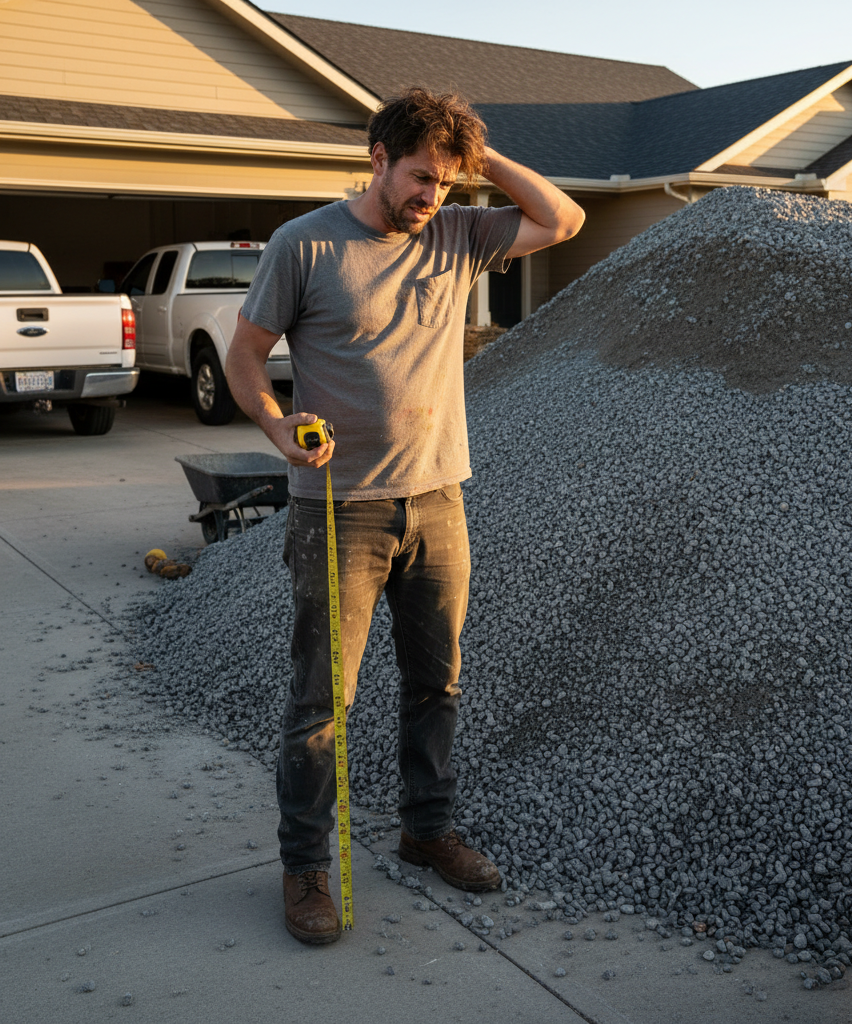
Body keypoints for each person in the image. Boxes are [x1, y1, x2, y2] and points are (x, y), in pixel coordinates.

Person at [225, 88, 584, 945]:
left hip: (438, 499)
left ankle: (427, 831)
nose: (431, 197)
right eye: (421, 176)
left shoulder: (458, 234)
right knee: (324, 703)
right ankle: (307, 866)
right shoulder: (304, 243)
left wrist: (476, 155)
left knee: (437, 684)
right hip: (337, 510)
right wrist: (277, 425)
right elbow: (245, 357)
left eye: (446, 184)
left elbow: (563, 219)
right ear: (377, 158)